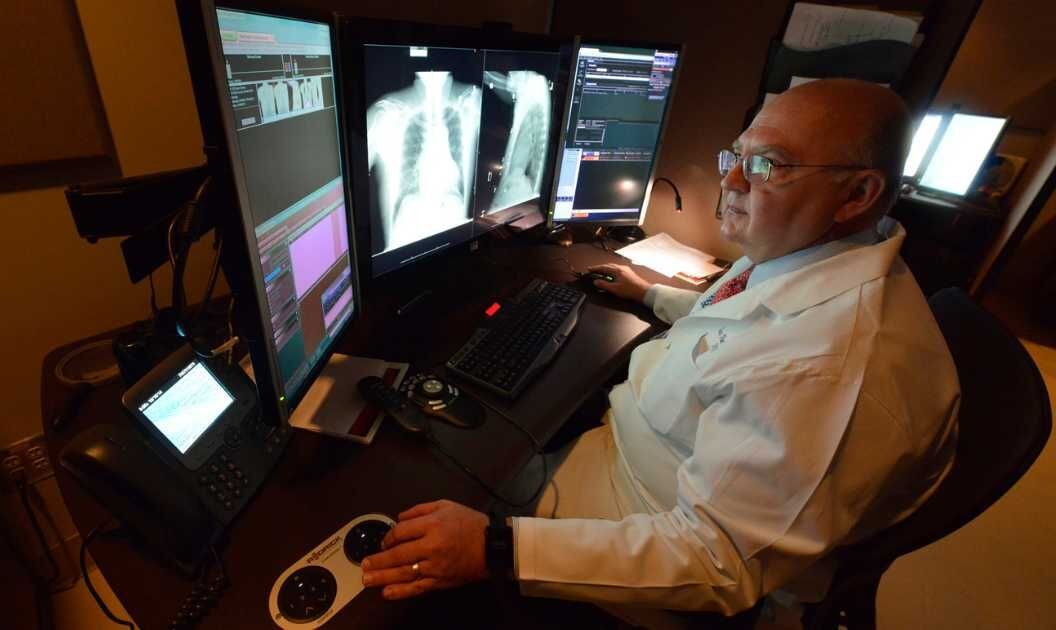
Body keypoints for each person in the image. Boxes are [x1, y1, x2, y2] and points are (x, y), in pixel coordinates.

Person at [360, 79, 960, 626]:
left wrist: (491, 548)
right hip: (641, 457)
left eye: (766, 165)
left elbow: (717, 562)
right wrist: (651, 294)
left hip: (647, 538)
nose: (730, 182)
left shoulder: (822, 369)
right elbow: (739, 320)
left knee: (405, 519)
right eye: (738, 155)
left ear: (857, 192)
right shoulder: (822, 247)